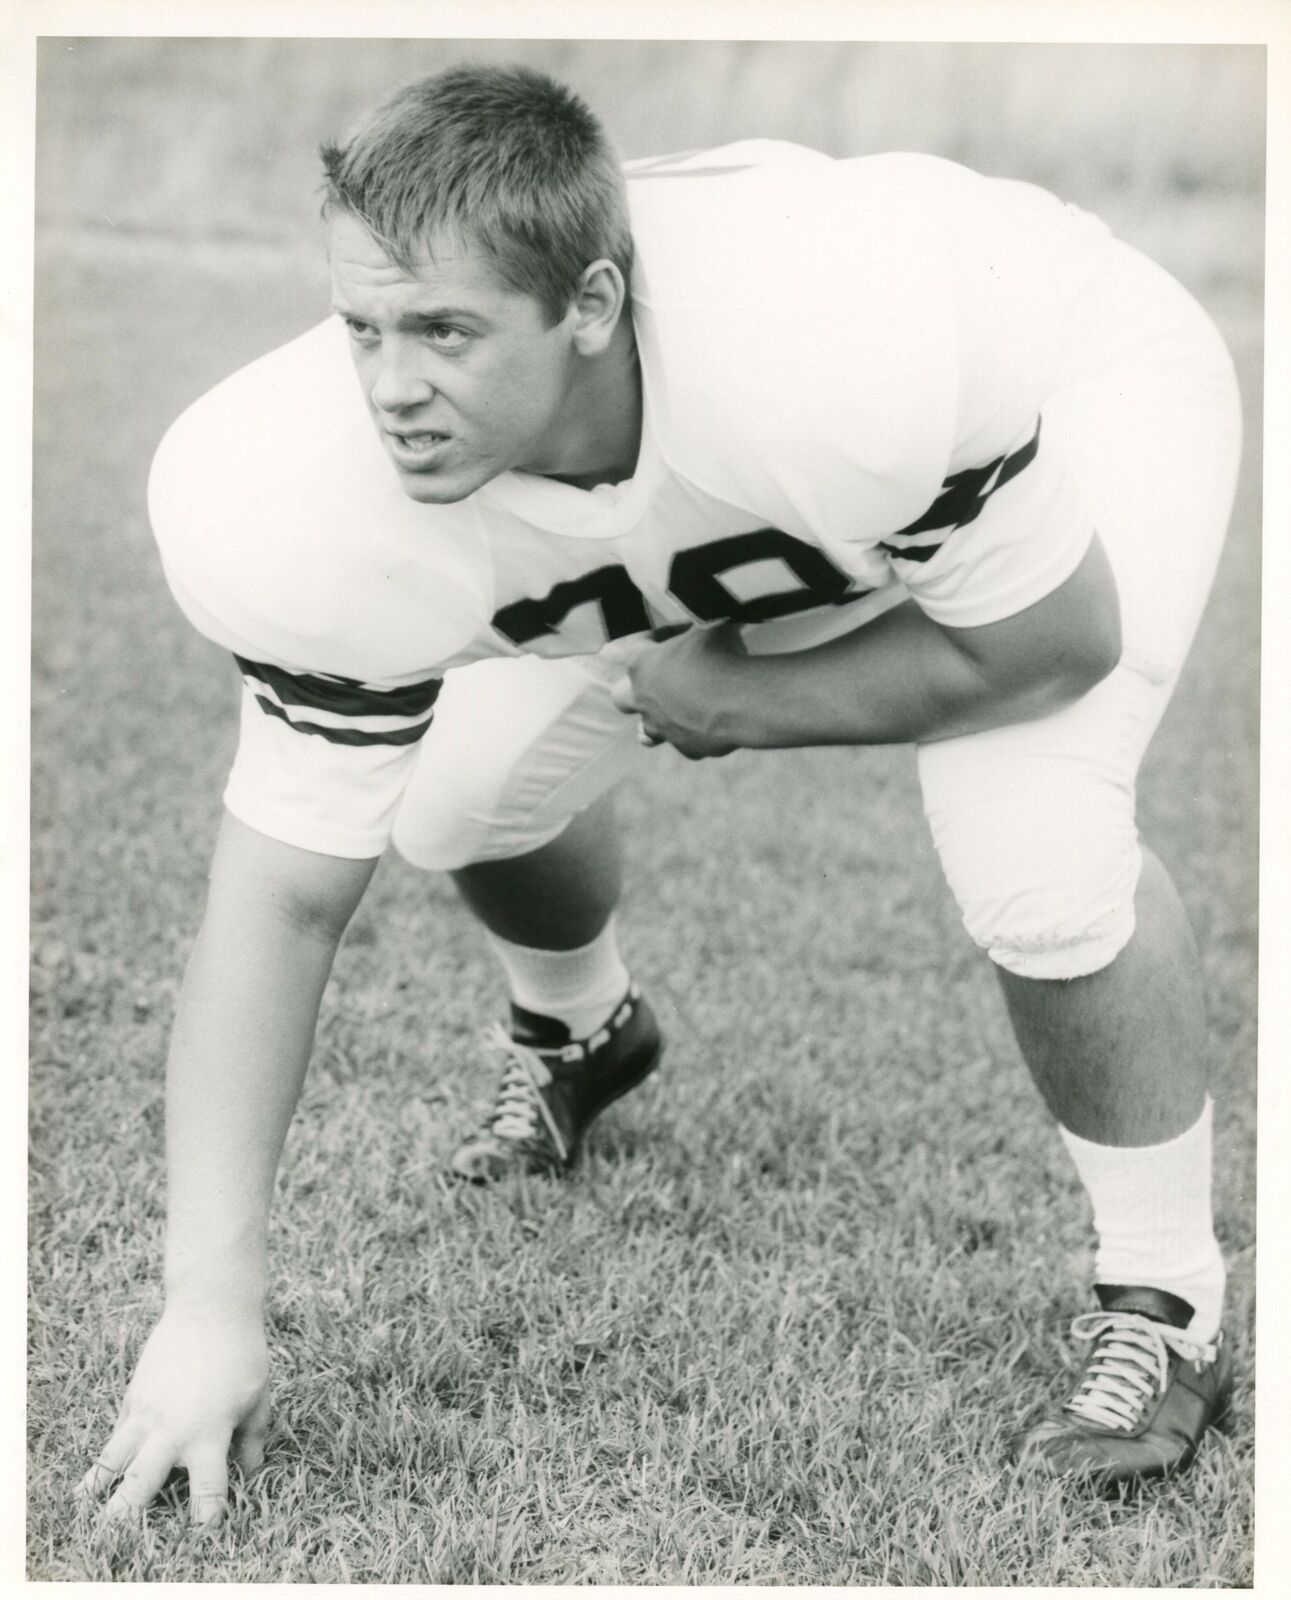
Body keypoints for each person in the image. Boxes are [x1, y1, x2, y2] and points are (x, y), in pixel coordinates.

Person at [79, 65, 1242, 1525]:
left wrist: (732, 697)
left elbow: (1050, 644)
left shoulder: (851, 347)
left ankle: (1168, 1291)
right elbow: (281, 900)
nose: (389, 387)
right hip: (740, 477)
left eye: (444, 332)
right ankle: (583, 1030)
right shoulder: (298, 482)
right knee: (453, 802)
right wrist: (206, 1311)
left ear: (591, 305)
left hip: (1056, 398)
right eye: (363, 326)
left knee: (1034, 846)